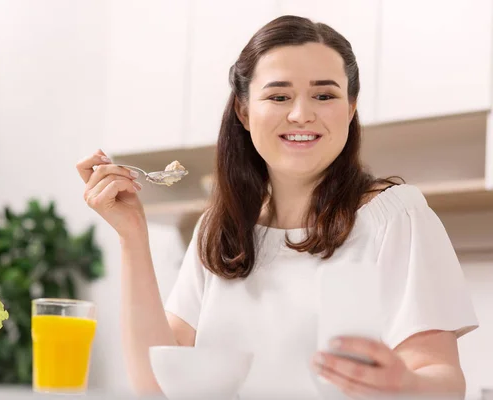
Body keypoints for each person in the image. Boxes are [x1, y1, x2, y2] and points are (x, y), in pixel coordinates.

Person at [76, 15, 479, 399]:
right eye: (279, 95)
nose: (302, 114)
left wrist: (402, 385)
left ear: (351, 108)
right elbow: (157, 383)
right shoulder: (220, 229)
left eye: (324, 95)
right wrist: (132, 235)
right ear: (244, 111)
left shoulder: (396, 217)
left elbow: (443, 381)